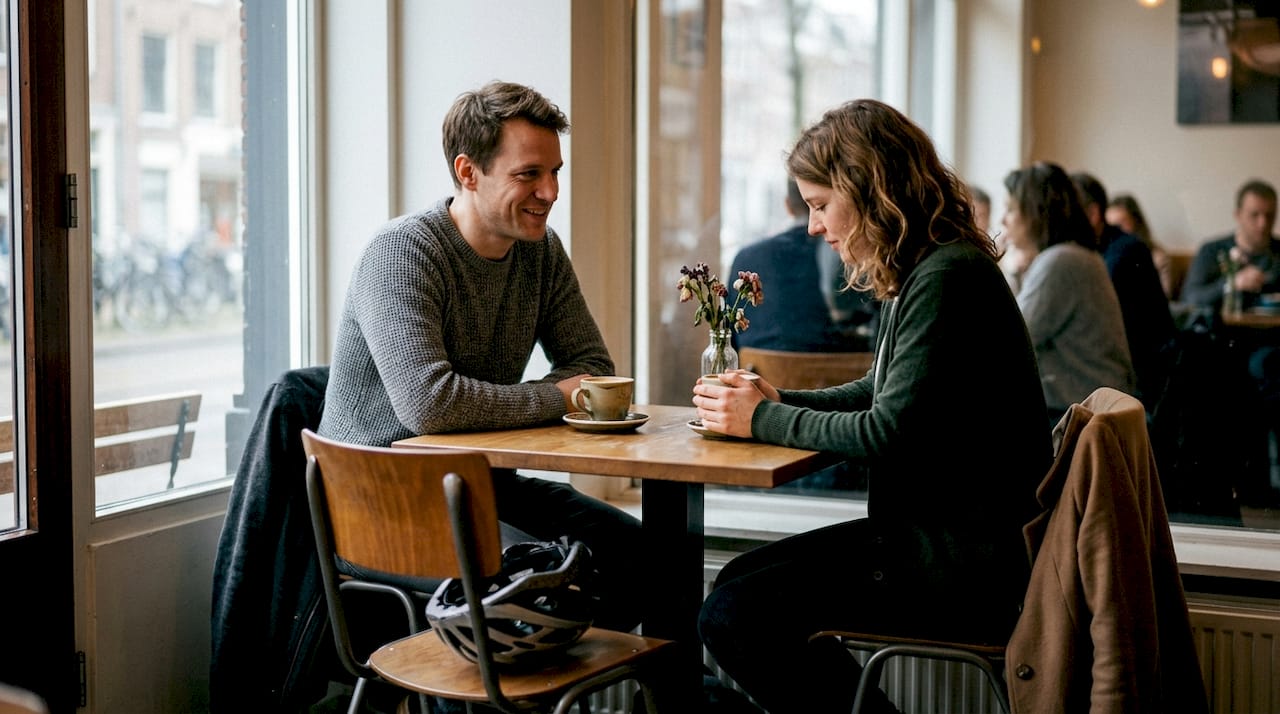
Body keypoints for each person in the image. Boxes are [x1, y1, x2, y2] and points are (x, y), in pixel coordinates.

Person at [694, 99, 1051, 714]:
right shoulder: (927, 266)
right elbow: (877, 390)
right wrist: (778, 398)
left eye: (820, 205)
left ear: (869, 190)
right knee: (731, 590)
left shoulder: (946, 276)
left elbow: (890, 431)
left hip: (958, 562)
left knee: (733, 611)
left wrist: (760, 418)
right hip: (939, 541)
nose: (811, 226)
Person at [317, 81, 644, 663]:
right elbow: (430, 404)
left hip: (482, 485)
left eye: (555, 172)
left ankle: (555, 690)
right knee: (544, 582)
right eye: (529, 175)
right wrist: (557, 395)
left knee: (637, 554)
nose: (551, 191)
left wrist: (558, 391)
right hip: (387, 507)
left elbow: (591, 366)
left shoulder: (539, 251)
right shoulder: (403, 252)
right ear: (468, 172)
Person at [1002, 163, 1136, 427]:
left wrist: (1009, 271)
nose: (1002, 220)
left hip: (1082, 419)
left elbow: (1011, 340)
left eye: (1010, 209)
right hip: (1094, 409)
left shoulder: (1061, 261)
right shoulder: (1075, 255)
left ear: (1034, 213)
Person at [730, 178, 877, 353]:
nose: (813, 228)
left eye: (821, 207)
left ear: (787, 205)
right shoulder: (850, 252)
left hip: (761, 374)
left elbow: (731, 340)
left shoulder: (746, 258)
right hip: (840, 372)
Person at [1071, 172, 1175, 409]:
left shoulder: (1124, 251)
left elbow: (1092, 315)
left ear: (1093, 214)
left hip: (1140, 376)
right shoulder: (1101, 248)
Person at [1181, 179, 1280, 312]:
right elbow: (1190, 298)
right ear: (1238, 215)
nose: (1263, 223)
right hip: (1223, 331)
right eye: (1254, 215)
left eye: (1269, 216)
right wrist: (1232, 284)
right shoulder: (1212, 251)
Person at [1107, 192, 1174, 299]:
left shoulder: (1157, 257)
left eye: (1122, 223)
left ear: (1136, 222)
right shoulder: (1102, 255)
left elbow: (1163, 298)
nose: (1115, 230)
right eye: (1111, 225)